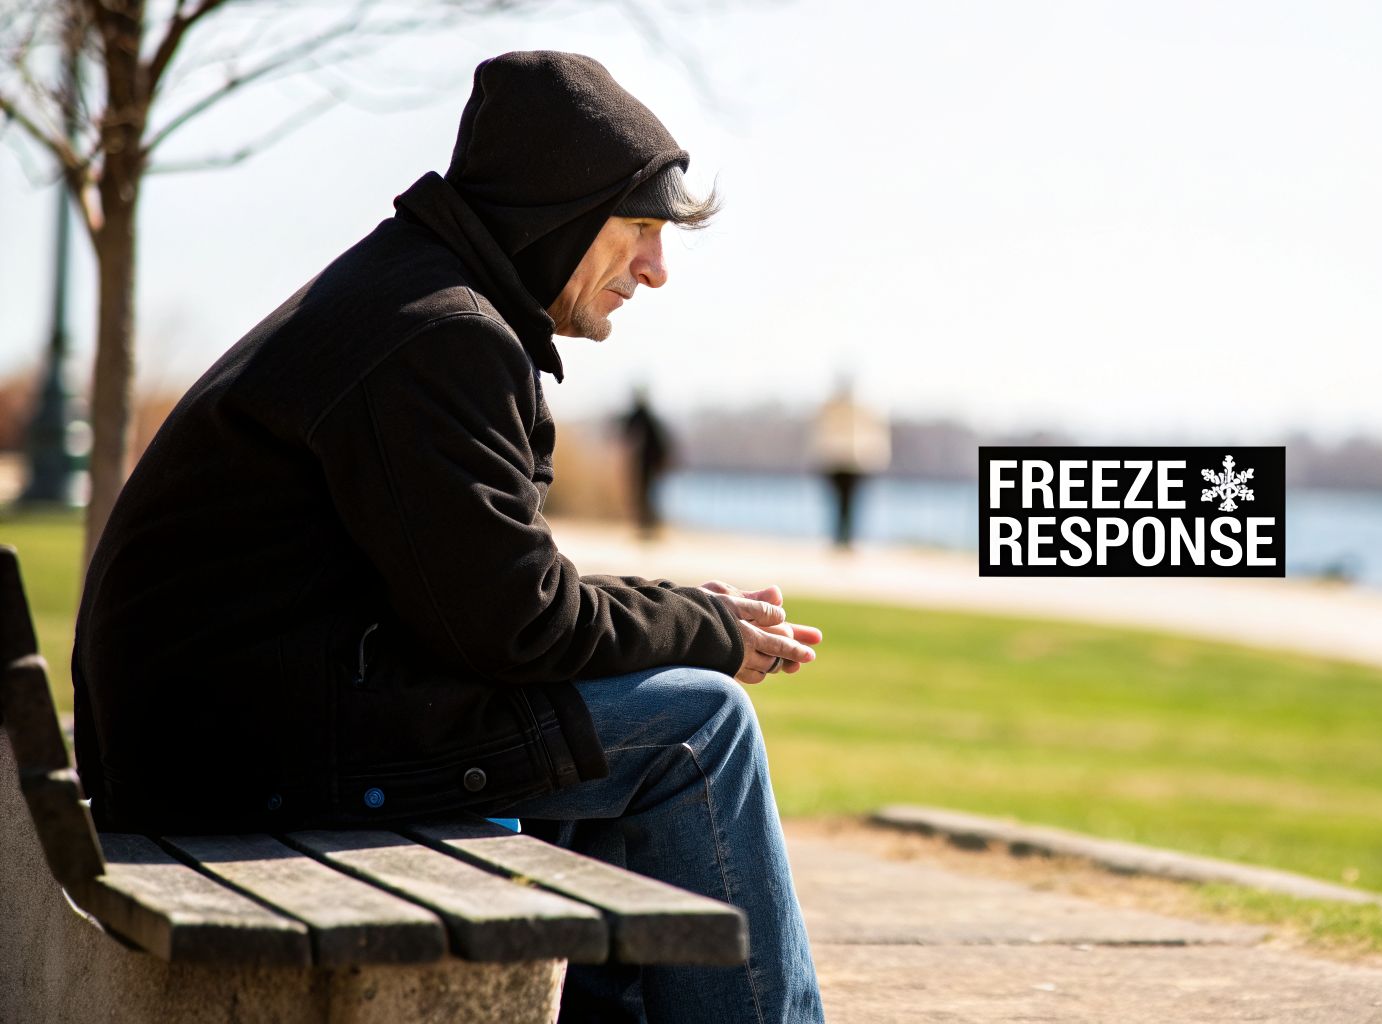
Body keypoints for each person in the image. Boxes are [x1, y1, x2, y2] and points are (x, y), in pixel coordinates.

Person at [71, 51, 824, 1023]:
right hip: (242, 771)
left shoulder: (412, 296)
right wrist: (703, 630)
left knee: (596, 726)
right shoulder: (436, 335)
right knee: (696, 725)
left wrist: (682, 612)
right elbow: (515, 628)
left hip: (225, 741)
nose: (656, 269)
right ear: (556, 208)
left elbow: (486, 594)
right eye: (639, 228)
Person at [811, 380, 890, 549]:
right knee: (839, 501)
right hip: (835, 460)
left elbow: (875, 436)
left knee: (850, 502)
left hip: (856, 462)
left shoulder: (862, 409)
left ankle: (846, 539)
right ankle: (840, 538)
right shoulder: (831, 408)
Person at [619, 385, 671, 538]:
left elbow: (628, 430)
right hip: (650, 461)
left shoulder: (642, 414)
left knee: (645, 492)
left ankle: (648, 526)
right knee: (647, 492)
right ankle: (648, 526)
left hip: (649, 461)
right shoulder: (648, 416)